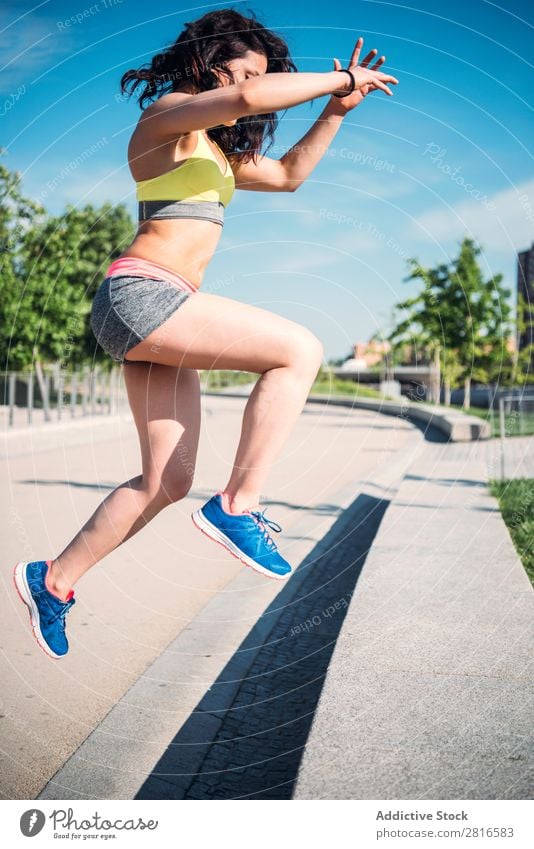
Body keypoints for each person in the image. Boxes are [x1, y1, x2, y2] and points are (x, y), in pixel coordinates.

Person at [13, 8, 398, 659]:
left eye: (258, 72)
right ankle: (239, 505)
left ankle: (53, 581)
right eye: (240, 68)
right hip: (142, 294)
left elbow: (287, 175)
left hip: (158, 313)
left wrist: (337, 110)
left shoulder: (220, 154)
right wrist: (331, 80)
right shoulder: (167, 118)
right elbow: (247, 97)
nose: (250, 84)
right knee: (299, 349)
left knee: (165, 481)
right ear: (207, 64)